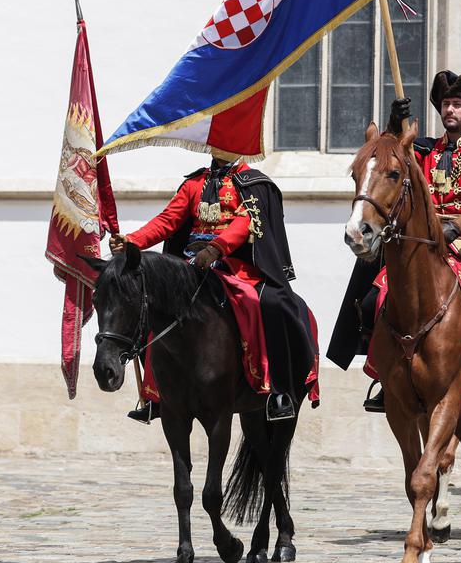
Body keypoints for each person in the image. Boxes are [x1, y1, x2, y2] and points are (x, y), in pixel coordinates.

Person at [330, 71, 461, 416]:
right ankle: (389, 376)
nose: (450, 110)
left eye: (458, 104)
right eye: (446, 104)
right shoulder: (424, 151)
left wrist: (459, 225)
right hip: (421, 240)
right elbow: (389, 159)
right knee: (372, 299)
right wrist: (395, 122)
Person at [109, 155, 314, 423]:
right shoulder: (195, 182)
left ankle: (278, 390)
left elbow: (244, 223)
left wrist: (217, 248)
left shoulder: (253, 183)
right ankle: (154, 394)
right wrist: (131, 241)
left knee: (271, 304)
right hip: (191, 264)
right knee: (151, 306)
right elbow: (168, 220)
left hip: (235, 264)